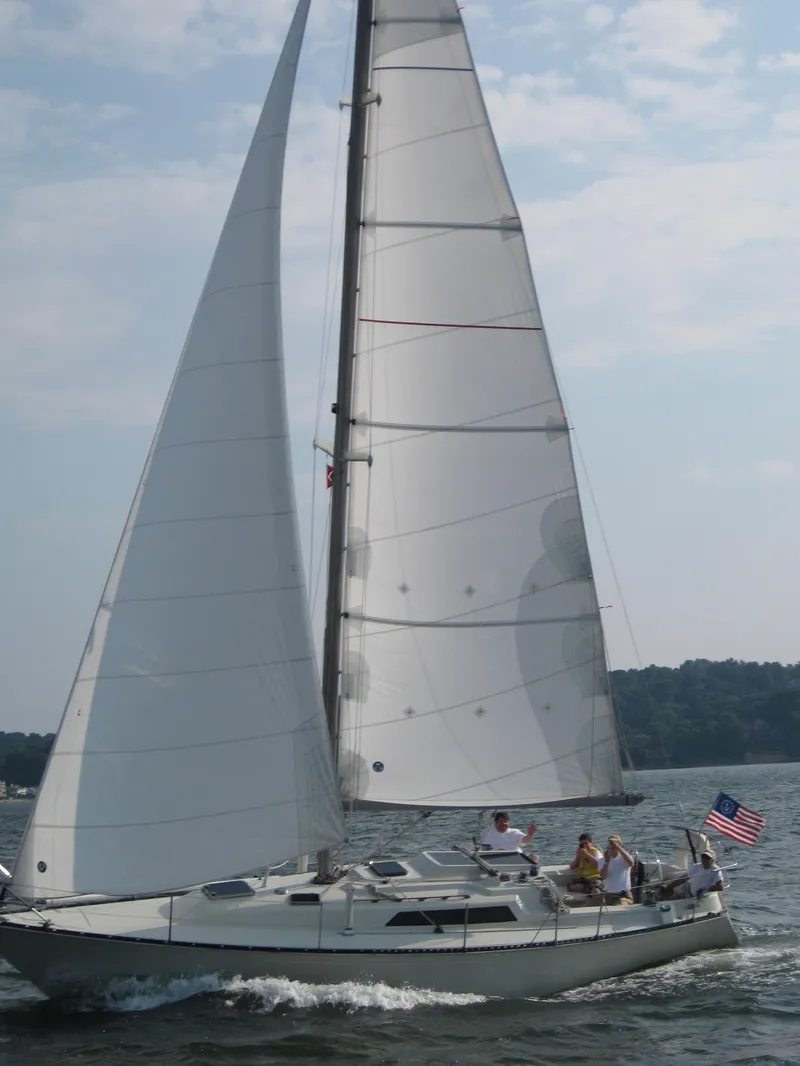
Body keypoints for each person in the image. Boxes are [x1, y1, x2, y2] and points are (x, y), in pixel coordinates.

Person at [598, 834, 635, 903]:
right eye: (609, 846)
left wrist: (618, 847)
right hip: (608, 894)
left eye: (613, 847)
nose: (611, 848)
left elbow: (631, 863)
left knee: (620, 903)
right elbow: (603, 876)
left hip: (623, 895)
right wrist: (607, 861)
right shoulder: (602, 860)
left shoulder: (624, 859)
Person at [567, 833, 604, 898]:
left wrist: (587, 854)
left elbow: (599, 864)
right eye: (582, 844)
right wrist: (578, 857)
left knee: (596, 886)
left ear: (591, 843)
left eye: (586, 843)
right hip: (584, 878)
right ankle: (587, 889)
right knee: (570, 886)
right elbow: (571, 867)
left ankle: (588, 889)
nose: (584, 846)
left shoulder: (595, 852)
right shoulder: (580, 853)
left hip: (595, 877)